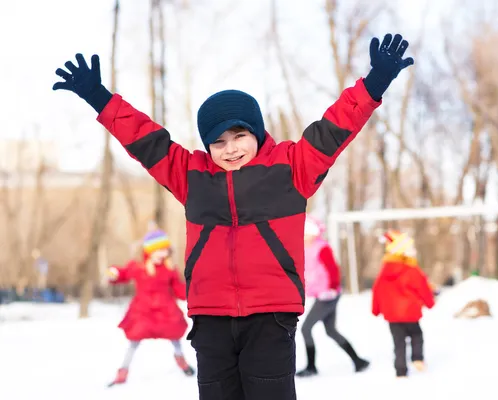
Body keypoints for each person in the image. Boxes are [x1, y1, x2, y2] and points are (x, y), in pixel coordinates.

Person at [53, 32, 414, 400]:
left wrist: (374, 83)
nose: (230, 149)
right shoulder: (191, 175)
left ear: (256, 132)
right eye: (218, 141)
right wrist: (99, 97)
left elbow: (335, 128)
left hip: (271, 316)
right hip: (211, 320)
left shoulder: (291, 168)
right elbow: (146, 141)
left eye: (239, 135)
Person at [106, 229, 195, 386]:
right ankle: (123, 371)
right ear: (150, 250)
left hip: (166, 310)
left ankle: (182, 361)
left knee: (175, 336)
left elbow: (179, 290)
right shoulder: (139, 267)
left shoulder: (169, 269)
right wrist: (114, 274)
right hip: (143, 311)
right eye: (159, 250)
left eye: (165, 250)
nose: (163, 253)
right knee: (134, 340)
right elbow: (124, 274)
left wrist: (193, 290)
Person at [296, 215, 369, 377]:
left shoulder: (322, 248)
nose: (305, 237)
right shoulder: (305, 248)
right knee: (331, 331)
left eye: (307, 234)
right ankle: (358, 361)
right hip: (321, 294)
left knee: (306, 328)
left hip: (327, 295)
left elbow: (333, 270)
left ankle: (311, 367)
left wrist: (331, 288)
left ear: (315, 234)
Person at [371, 230, 435, 379]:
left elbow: (377, 290)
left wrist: (375, 309)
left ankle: (400, 371)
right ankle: (417, 359)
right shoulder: (412, 269)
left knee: (398, 342)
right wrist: (430, 302)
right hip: (410, 312)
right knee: (416, 335)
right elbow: (422, 287)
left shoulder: (384, 270)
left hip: (392, 315)